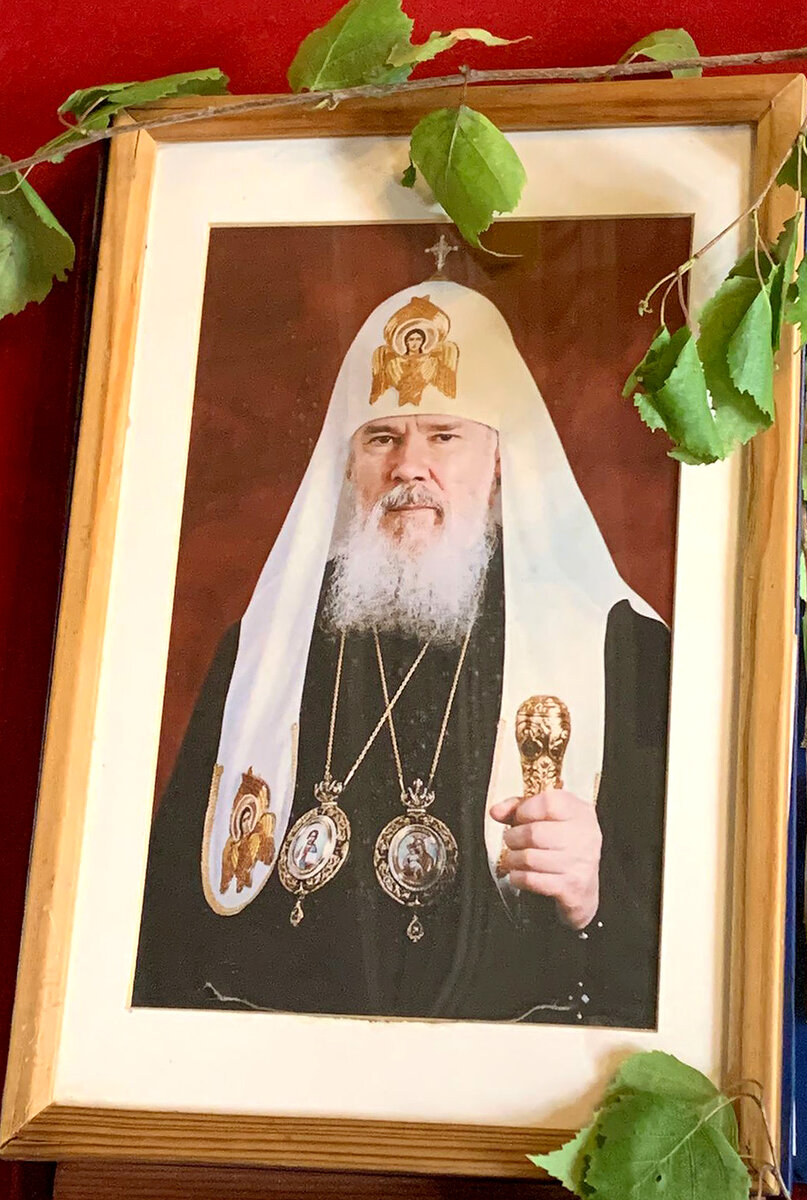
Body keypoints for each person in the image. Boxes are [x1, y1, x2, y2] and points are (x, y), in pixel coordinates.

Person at [132, 283, 670, 1025]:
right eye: (382, 438)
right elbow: (166, 925)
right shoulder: (263, 646)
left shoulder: (615, 648)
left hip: (506, 1078)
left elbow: (685, 963)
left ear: (501, 460)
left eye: (444, 436)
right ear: (349, 465)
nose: (409, 467)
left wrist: (593, 895)